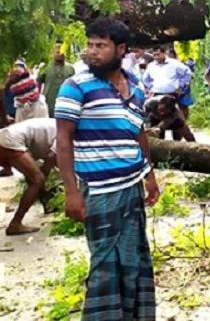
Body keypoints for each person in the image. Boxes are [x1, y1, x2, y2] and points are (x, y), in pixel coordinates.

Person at [55, 18, 159, 321]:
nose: (93, 51)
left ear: (121, 48)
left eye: (101, 45)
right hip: (99, 192)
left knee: (135, 259)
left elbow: (139, 132)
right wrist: (71, 193)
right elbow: (63, 140)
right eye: (90, 45)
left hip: (132, 188)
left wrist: (150, 176)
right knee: (104, 266)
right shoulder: (76, 86)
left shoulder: (137, 87)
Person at [0, 118, 57, 235]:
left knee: (33, 176)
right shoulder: (67, 131)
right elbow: (51, 158)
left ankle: (47, 204)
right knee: (38, 179)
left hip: (6, 137)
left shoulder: (59, 124)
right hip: (10, 140)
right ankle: (15, 224)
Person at [142, 45, 192, 115]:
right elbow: (145, 79)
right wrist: (151, 87)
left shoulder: (174, 63)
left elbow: (187, 73)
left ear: (164, 53)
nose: (156, 57)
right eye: (154, 55)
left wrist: (181, 86)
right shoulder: (151, 66)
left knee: (178, 115)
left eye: (158, 54)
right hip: (157, 95)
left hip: (173, 94)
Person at [36, 43, 75, 116]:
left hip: (66, 102)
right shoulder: (45, 67)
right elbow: (38, 83)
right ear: (52, 53)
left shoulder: (71, 69)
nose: (60, 54)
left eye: (63, 52)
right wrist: (37, 98)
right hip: (48, 103)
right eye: (58, 52)